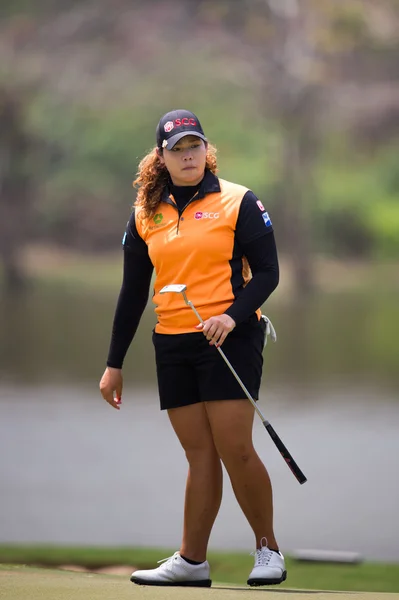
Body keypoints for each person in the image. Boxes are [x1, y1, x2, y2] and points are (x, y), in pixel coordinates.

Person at [99, 109, 285, 588]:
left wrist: (232, 315)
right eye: (177, 149)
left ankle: (268, 550)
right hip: (174, 341)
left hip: (230, 336)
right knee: (199, 454)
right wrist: (113, 363)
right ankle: (191, 561)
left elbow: (267, 272)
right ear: (161, 157)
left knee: (235, 448)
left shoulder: (238, 202)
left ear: (207, 150)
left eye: (194, 146)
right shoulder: (146, 214)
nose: (188, 156)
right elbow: (132, 292)